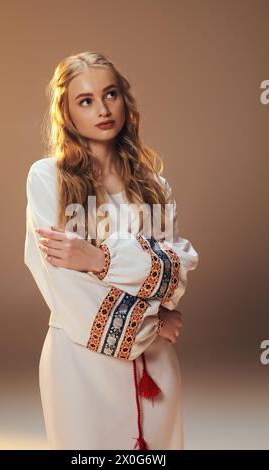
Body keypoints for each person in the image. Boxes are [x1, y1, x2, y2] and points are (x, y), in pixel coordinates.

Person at [24, 51, 199, 450]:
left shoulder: (155, 185)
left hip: (156, 364)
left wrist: (98, 258)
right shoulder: (46, 178)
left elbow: (175, 274)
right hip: (80, 363)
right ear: (66, 112)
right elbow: (65, 285)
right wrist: (153, 319)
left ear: (124, 99)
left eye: (111, 94)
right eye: (85, 101)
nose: (102, 109)